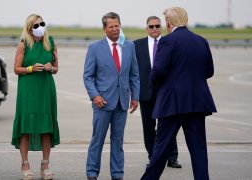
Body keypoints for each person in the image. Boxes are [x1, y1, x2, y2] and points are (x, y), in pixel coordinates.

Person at [140, 7, 217, 180]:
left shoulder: (168, 41)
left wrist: (157, 84)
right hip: (197, 102)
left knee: (160, 149)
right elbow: (209, 71)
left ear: (168, 22)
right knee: (198, 149)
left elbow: (158, 71)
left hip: (172, 103)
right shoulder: (201, 40)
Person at [83, 12, 140, 180]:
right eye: (111, 26)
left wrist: (135, 97)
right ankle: (92, 173)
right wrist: (95, 96)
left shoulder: (129, 46)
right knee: (97, 140)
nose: (115, 29)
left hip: (122, 102)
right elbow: (87, 76)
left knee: (118, 141)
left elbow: (134, 75)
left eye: (117, 25)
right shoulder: (94, 48)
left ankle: (117, 174)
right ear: (104, 28)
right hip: (102, 102)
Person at [11, 14, 60, 180]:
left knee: (46, 127)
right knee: (26, 127)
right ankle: (25, 164)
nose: (40, 27)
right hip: (28, 90)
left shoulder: (50, 42)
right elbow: (16, 69)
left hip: (46, 88)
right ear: (29, 28)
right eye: (36, 25)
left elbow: (56, 68)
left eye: (42, 23)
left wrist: (50, 68)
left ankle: (45, 165)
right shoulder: (23, 44)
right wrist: (31, 68)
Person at [134, 16, 181, 168]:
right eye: (151, 26)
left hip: (166, 92)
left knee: (168, 124)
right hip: (146, 92)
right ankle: (153, 156)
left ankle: (172, 157)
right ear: (146, 28)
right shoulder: (137, 45)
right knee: (148, 127)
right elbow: (133, 70)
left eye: (157, 26)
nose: (154, 29)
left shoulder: (170, 42)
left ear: (162, 27)